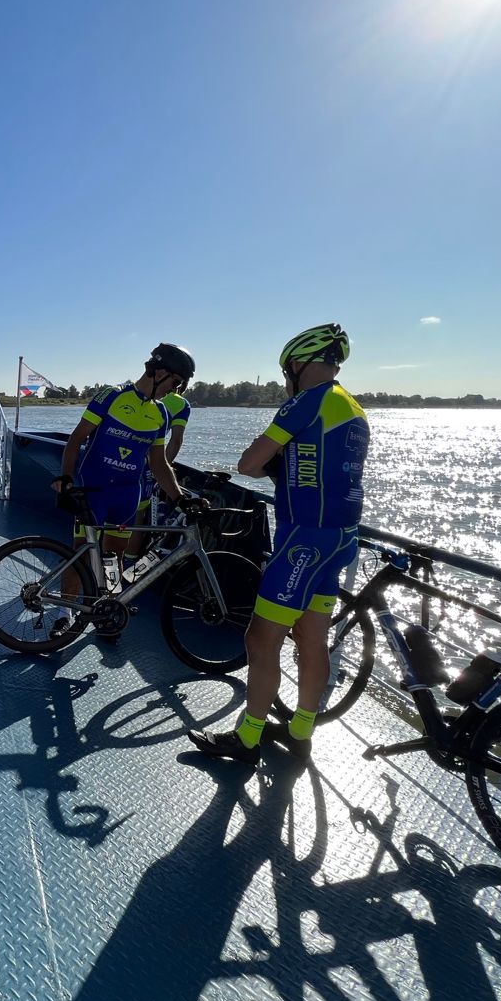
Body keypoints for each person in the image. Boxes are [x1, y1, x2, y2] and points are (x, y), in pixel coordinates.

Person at [189, 323, 369, 764]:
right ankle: (300, 732)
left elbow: (248, 464)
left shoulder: (308, 402)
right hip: (340, 538)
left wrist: (273, 463)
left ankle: (249, 738)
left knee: (261, 638)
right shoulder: (353, 407)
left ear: (297, 365)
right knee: (312, 638)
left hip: (304, 537)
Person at [52, 345, 200, 615]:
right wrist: (66, 478)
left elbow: (158, 463)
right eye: (175, 383)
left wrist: (180, 498)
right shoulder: (112, 396)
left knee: (114, 556)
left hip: (127, 495)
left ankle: (108, 607)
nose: (175, 391)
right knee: (83, 553)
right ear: (160, 372)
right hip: (93, 489)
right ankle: (65, 612)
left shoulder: (162, 414)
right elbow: (75, 440)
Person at [124, 386, 192, 575]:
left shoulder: (142, 393)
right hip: (145, 460)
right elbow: (176, 441)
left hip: (120, 456)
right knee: (138, 513)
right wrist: (162, 467)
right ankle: (129, 566)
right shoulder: (182, 404)